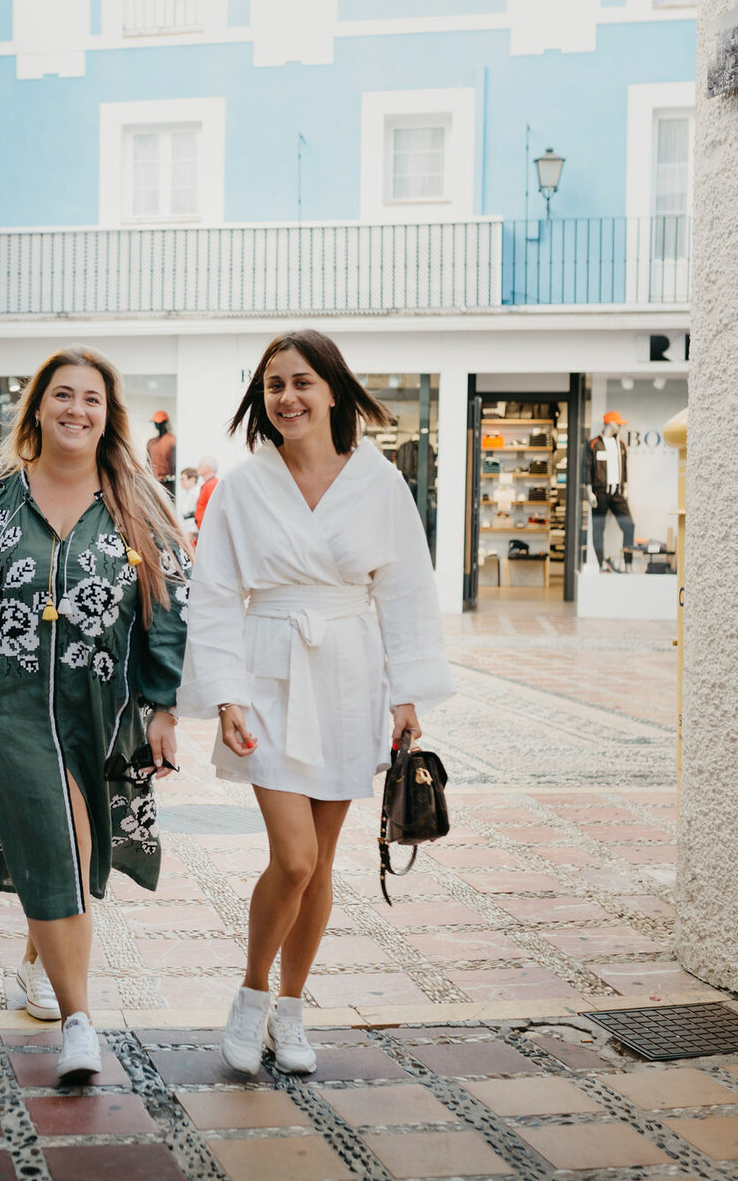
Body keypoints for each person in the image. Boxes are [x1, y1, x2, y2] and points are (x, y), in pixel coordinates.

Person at [176, 330, 453, 1077]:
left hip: (349, 673)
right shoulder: (240, 485)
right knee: (292, 858)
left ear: (333, 389)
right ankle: (250, 992)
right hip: (268, 670)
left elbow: (404, 591)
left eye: (301, 382)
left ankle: (291, 1009)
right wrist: (225, 692)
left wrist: (406, 694)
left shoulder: (379, 481)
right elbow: (214, 596)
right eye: (274, 387)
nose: (288, 398)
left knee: (323, 861)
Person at [0, 347, 190, 1080]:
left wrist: (163, 705)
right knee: (60, 842)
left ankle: (39, 960)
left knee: (75, 850)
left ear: (109, 415)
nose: (77, 409)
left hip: (103, 706)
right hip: (9, 705)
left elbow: (169, 604)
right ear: (37, 405)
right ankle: (80, 1021)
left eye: (92, 399)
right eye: (63, 395)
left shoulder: (139, 497)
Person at [588, 411, 634, 573]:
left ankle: (628, 564)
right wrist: (589, 490)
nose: (620, 426)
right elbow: (587, 468)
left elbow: (625, 468)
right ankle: (602, 563)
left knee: (629, 526)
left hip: (617, 492)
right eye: (618, 423)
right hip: (600, 492)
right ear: (610, 423)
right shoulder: (594, 444)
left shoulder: (621, 445)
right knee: (598, 527)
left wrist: (625, 487)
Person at [146, 411, 177, 497]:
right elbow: (147, 464)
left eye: (159, 423)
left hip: (168, 484)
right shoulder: (151, 443)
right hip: (153, 484)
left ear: (165, 423)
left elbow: (175, 464)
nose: (157, 425)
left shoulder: (172, 441)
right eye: (155, 423)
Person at [193, 455, 219, 533]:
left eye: (200, 466)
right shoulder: (208, 485)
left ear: (208, 468)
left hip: (208, 530)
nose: (197, 468)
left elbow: (214, 510)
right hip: (203, 529)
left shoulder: (212, 485)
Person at [177, 466, 201, 536]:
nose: (180, 482)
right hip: (186, 528)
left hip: (193, 531)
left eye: (183, 479)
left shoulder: (198, 493)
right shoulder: (188, 493)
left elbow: (194, 514)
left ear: (193, 479)